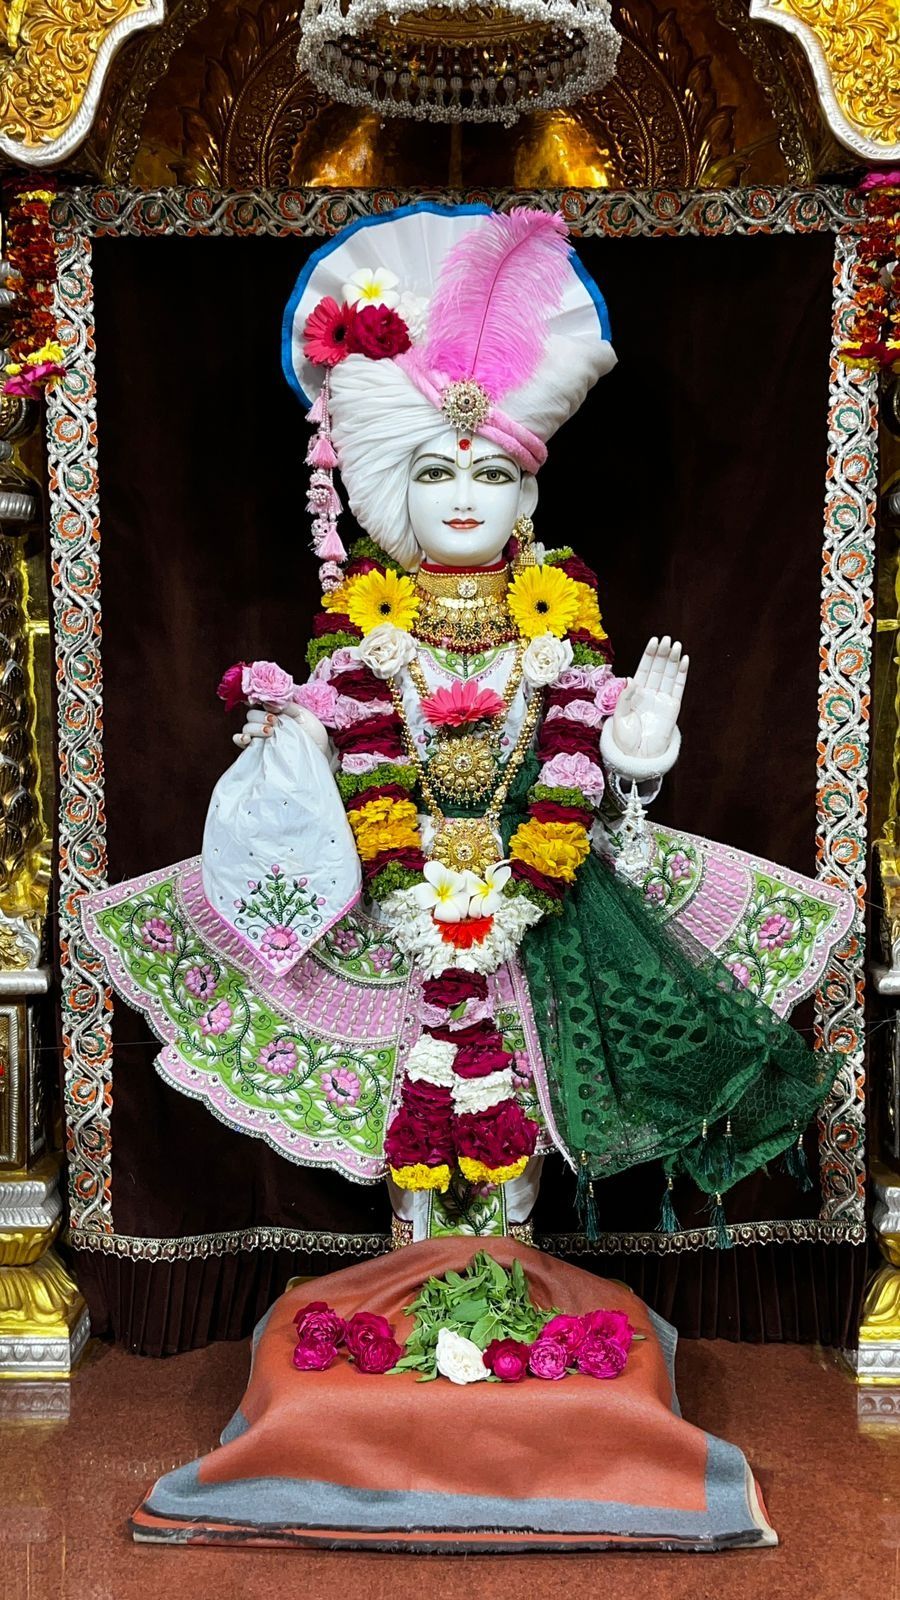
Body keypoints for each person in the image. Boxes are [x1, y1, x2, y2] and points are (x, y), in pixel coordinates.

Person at [88, 201, 854, 1553]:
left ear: (532, 494)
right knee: (411, 1141)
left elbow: (589, 822)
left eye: (491, 476)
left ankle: (500, 1319)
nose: (461, 498)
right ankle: (419, 1333)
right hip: (393, 928)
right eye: (437, 474)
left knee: (512, 1149)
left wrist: (630, 766)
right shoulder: (359, 650)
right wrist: (288, 745)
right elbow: (306, 811)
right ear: (391, 499)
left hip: (529, 924)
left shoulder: (562, 646)